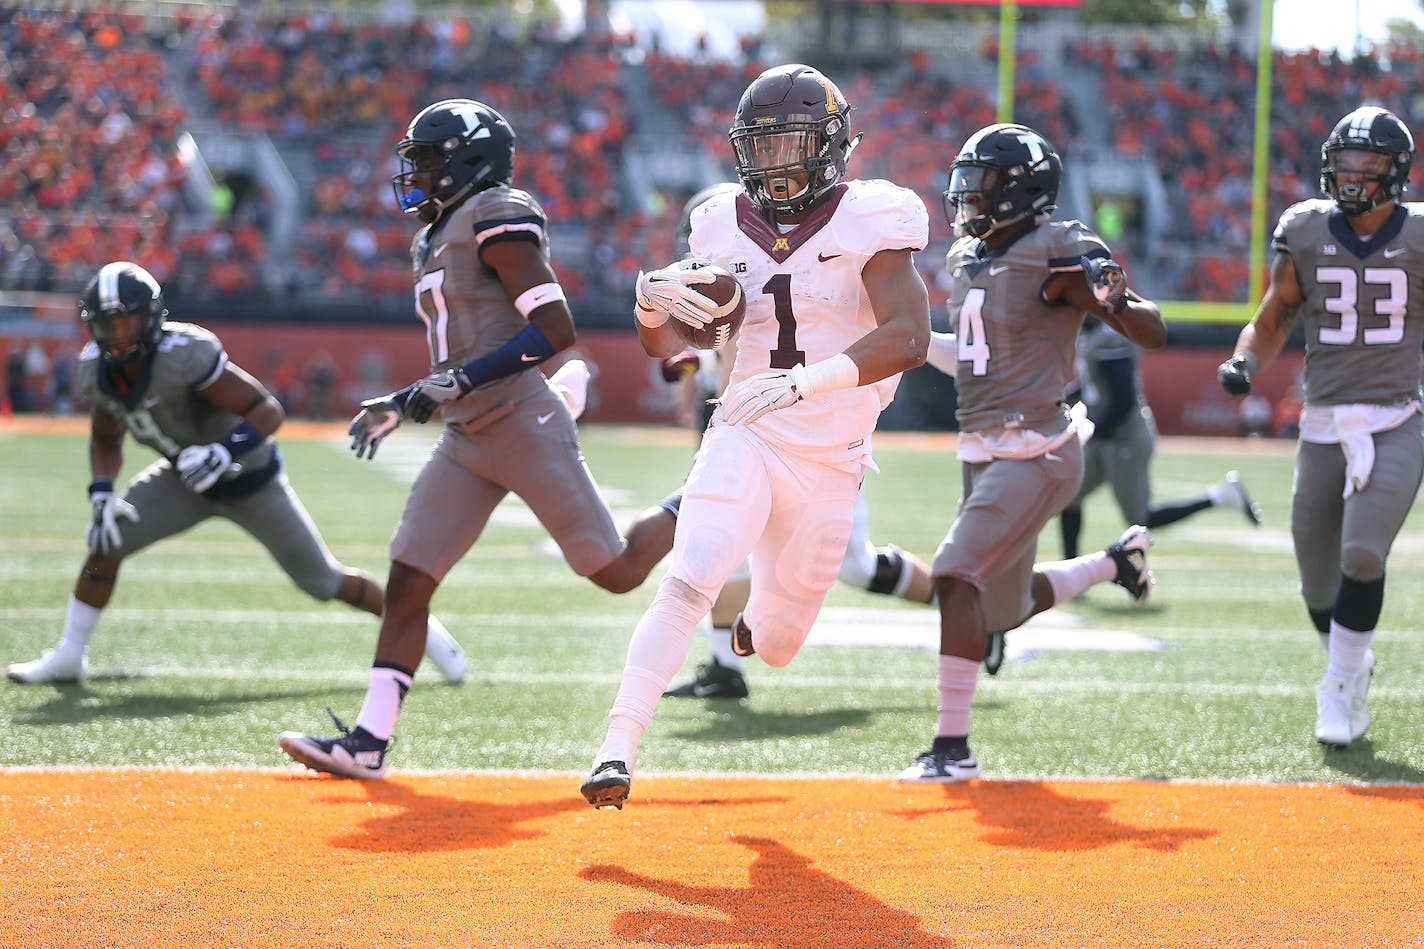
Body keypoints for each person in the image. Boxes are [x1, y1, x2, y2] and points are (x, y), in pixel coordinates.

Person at [278, 99, 678, 780]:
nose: (418, 173)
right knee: (409, 575)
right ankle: (369, 741)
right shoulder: (431, 236)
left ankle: (703, 498)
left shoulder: (496, 213)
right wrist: (407, 402)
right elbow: (460, 352)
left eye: (429, 159)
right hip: (467, 434)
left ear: (468, 160)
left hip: (522, 422)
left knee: (614, 571)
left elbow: (554, 328)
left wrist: (455, 381)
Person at [581, 63, 933, 809]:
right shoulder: (716, 219)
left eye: (794, 144)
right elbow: (672, 343)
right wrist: (652, 311)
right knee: (688, 576)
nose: (778, 164)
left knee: (777, 642)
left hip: (831, 458)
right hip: (744, 428)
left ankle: (752, 629)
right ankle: (616, 747)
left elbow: (908, 336)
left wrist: (809, 381)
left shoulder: (873, 216)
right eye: (763, 148)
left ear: (833, 145)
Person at [6, 261, 467, 687]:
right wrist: (102, 491)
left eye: (126, 322)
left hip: (251, 480)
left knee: (323, 581)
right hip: (185, 481)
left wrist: (224, 452)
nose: (118, 336)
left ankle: (425, 632)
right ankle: (69, 655)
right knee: (106, 539)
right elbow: (106, 437)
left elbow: (267, 409)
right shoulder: (94, 370)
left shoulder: (185, 353)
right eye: (107, 326)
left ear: (151, 318)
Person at [899, 123, 1169, 783]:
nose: (966, 196)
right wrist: (907, 344)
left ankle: (952, 747)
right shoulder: (967, 259)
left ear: (1023, 191)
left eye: (982, 184)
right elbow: (968, 357)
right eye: (964, 183)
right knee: (1002, 608)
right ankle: (1116, 562)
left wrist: (1114, 299)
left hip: (1035, 448)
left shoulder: (1058, 249)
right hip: (984, 447)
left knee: (954, 574)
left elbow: (1152, 328)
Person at [658, 184, 936, 700]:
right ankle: (725, 664)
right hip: (746, 441)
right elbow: (712, 344)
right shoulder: (736, 278)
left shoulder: (785, 279)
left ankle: (951, 597)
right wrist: (685, 359)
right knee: (716, 552)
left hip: (818, 447)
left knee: (857, 566)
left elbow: (743, 333)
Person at [1216, 105, 1424, 748]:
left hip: (1396, 415)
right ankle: (1352, 660)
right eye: (1346, 162)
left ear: (1397, 172)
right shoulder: (1304, 228)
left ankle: (1338, 684)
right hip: (1324, 420)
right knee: (1316, 580)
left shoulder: (1419, 235)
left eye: (1370, 164)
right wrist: (1245, 359)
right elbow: (1276, 315)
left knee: (1363, 553)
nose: (1355, 174)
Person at [1058, 315, 1263, 562]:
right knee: (1068, 497)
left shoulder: (1110, 337)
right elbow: (1093, 380)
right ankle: (1069, 567)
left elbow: (1123, 400)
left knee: (1140, 518)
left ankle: (1220, 496)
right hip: (1104, 434)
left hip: (1125, 438)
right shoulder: (1090, 333)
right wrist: (1063, 399)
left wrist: (1091, 434)